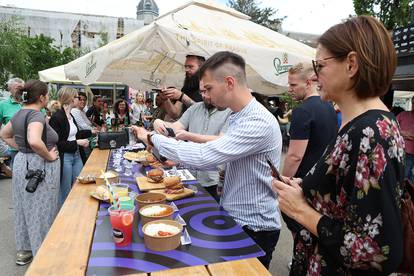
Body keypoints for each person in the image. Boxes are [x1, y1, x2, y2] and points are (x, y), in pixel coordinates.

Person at [272, 16, 404, 275]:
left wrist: (301, 210)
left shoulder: (370, 132)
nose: (315, 74)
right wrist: (306, 190)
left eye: (319, 65)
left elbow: (376, 251)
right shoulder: (362, 124)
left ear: (351, 64)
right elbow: (345, 200)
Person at [133, 51, 282, 269]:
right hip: (235, 217)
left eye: (209, 88)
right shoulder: (237, 115)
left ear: (229, 83)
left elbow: (205, 156)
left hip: (254, 226)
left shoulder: (257, 121)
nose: (206, 96)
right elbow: (219, 158)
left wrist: (152, 138)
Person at [0, 80, 60, 265]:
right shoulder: (36, 115)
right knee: (42, 210)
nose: (48, 97)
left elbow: (4, 134)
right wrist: (48, 156)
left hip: (22, 163)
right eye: (47, 94)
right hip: (39, 166)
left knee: (23, 208)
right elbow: (34, 140)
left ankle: (25, 251)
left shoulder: (19, 112)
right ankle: (43, 254)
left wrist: (22, 148)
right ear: (42, 97)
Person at [153, 80, 231, 201]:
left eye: (207, 91)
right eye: (201, 92)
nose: (204, 95)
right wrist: (159, 123)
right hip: (190, 175)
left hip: (214, 180)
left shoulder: (230, 111)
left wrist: (188, 136)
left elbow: (222, 140)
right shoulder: (195, 108)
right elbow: (175, 128)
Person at [283, 62, 337, 179]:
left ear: (308, 83)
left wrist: (283, 180)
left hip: (304, 181)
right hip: (325, 177)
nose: (290, 89)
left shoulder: (302, 111)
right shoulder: (329, 105)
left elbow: (294, 156)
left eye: (293, 85)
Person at [49, 87, 91, 207]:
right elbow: (58, 143)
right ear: (71, 98)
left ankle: (78, 209)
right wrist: (78, 143)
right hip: (65, 157)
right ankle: (64, 219)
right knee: (65, 191)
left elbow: (75, 134)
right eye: (78, 97)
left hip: (76, 154)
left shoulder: (70, 116)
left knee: (81, 184)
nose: (80, 99)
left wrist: (91, 132)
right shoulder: (57, 117)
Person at [161, 55, 205, 119]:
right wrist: (165, 99)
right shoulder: (186, 87)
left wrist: (182, 96)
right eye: (185, 67)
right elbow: (175, 114)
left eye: (190, 67)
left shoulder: (207, 88)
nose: (186, 70)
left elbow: (202, 112)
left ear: (201, 68)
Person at [0, 77, 25, 166]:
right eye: (17, 88)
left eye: (22, 88)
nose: (21, 90)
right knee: (18, 178)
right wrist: (4, 147)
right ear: (10, 90)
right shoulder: (3, 105)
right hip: (15, 150)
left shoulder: (31, 102)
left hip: (35, 148)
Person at [397, 96, 414, 183]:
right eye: (413, 102)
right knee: (402, 175)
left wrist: (403, 134)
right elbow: (392, 128)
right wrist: (407, 134)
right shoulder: (403, 114)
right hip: (400, 150)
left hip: (411, 152)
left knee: (409, 177)